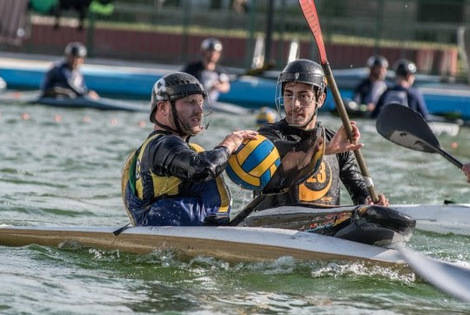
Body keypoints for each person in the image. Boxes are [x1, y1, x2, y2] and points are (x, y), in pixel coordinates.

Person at [121, 72, 258, 226]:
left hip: (167, 233)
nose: (199, 110)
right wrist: (229, 144)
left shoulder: (152, 148)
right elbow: (204, 168)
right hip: (169, 234)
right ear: (163, 107)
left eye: (200, 102)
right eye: (190, 102)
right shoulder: (163, 144)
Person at [254, 59, 389, 210]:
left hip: (324, 226)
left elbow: (358, 192)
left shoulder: (333, 140)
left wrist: (370, 201)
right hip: (273, 225)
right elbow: (288, 155)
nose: (294, 104)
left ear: (321, 99)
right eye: (289, 95)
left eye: (303, 96)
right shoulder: (267, 136)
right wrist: (325, 150)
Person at [181, 38, 230, 103]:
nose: (213, 54)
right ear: (203, 52)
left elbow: (226, 86)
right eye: (210, 51)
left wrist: (218, 86)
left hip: (210, 104)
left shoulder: (220, 71)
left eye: (216, 52)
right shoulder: (192, 69)